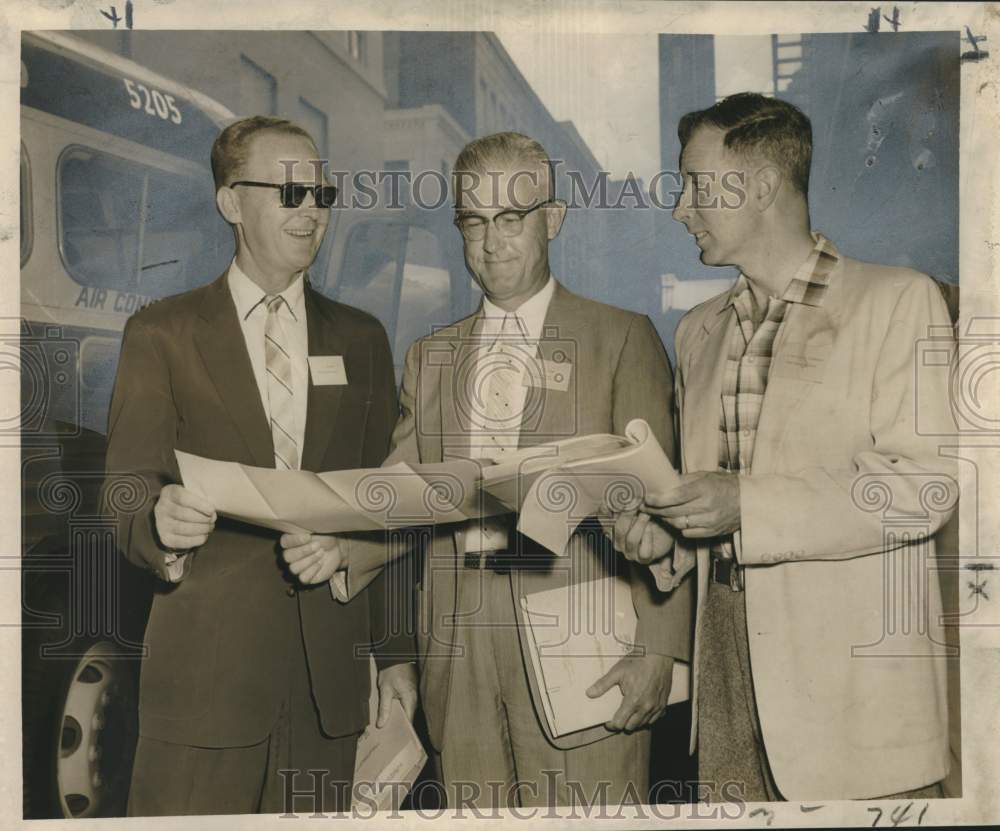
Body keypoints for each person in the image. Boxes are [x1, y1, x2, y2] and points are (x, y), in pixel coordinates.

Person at [283, 132, 693, 808]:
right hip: (459, 649)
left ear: (552, 218)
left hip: (586, 653)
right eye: (474, 222)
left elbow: (665, 505)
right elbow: (401, 495)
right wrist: (338, 543)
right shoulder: (430, 355)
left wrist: (662, 650)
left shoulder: (621, 338)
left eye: (512, 218)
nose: (492, 242)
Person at [611, 93, 957, 802]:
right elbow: (712, 510)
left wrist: (743, 503)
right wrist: (667, 535)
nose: (681, 209)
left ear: (762, 185)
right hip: (725, 671)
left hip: (855, 701)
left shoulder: (899, 302)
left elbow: (924, 488)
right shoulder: (697, 333)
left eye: (698, 186)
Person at [104, 116, 417, 816]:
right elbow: (125, 488)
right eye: (289, 191)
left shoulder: (362, 339)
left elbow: (387, 502)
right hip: (202, 684)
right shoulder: (162, 333)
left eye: (320, 194)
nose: (311, 211)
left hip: (329, 687)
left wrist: (396, 655)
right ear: (229, 202)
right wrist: (156, 518)